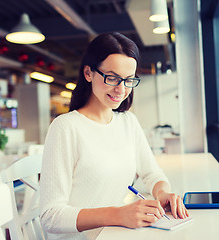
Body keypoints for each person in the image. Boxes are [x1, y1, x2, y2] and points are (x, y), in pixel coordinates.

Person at [40, 32, 188, 240]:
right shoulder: (65, 127)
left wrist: (162, 194)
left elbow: (153, 175)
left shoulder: (128, 122)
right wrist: (118, 214)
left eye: (129, 80)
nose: (121, 89)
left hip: (115, 233)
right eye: (112, 78)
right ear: (88, 73)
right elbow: (50, 216)